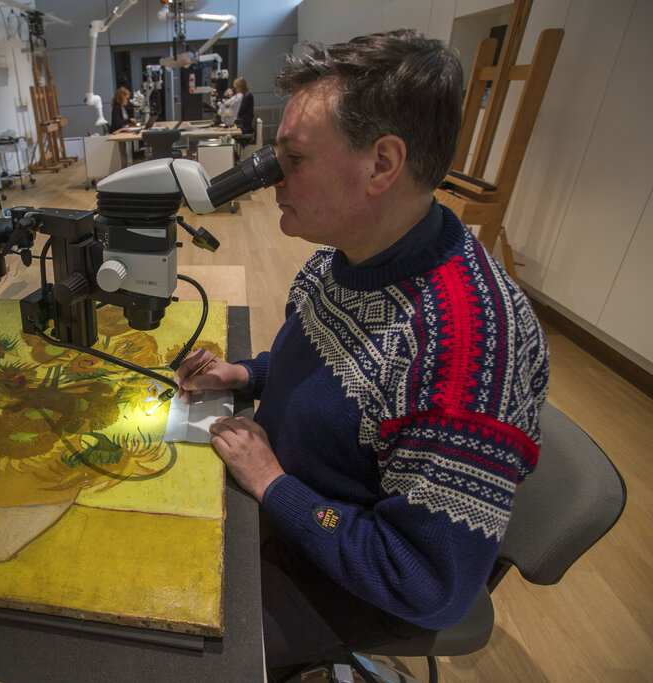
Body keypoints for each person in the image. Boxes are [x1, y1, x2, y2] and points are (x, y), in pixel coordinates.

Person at [172, 30, 550, 674]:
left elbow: (425, 584)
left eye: (292, 160)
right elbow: (331, 363)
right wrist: (248, 372)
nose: (271, 180)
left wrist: (272, 484)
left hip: (356, 573)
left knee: (171, 652)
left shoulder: (467, 347)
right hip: (291, 498)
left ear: (382, 165)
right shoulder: (343, 262)